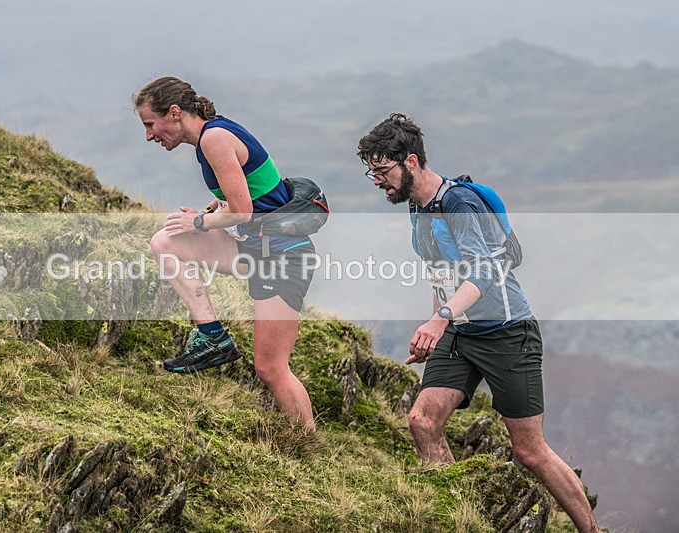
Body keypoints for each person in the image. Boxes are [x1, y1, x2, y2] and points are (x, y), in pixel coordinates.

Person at [357, 114, 600, 532]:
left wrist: (439, 321)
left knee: (530, 452)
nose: (377, 181)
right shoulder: (417, 207)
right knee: (422, 421)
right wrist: (434, 327)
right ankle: (461, 520)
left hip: (507, 333)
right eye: (372, 172)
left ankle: (591, 530)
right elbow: (440, 273)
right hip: (459, 332)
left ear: (411, 161)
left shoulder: (459, 204)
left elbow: (483, 273)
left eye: (382, 170)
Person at [132, 76, 316, 429]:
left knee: (271, 368)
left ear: (174, 113)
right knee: (165, 243)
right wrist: (208, 215)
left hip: (282, 255)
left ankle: (309, 441)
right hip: (255, 246)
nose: (149, 136)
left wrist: (200, 222)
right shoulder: (210, 137)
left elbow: (243, 211)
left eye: (150, 124)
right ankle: (212, 337)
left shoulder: (214, 138)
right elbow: (242, 201)